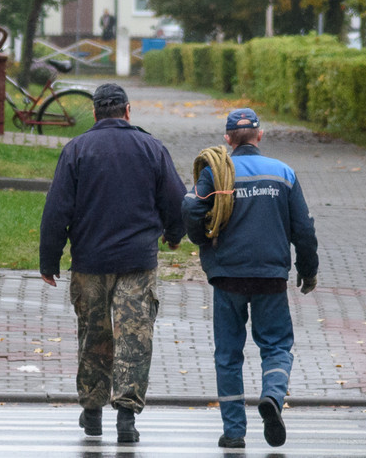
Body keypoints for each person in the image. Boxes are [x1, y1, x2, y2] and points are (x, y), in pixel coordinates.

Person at [40, 82, 186, 444]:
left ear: (94, 113)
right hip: (137, 261)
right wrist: (174, 233)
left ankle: (92, 412)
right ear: (127, 111)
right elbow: (176, 198)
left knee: (94, 335)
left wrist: (49, 259)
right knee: (134, 338)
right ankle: (126, 417)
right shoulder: (151, 147)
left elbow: (57, 209)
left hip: (89, 262)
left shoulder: (76, 149)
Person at [183, 108, 319, 449]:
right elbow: (303, 230)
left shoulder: (218, 173)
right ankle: (272, 396)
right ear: (260, 136)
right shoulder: (283, 174)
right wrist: (308, 269)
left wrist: (203, 240)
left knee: (228, 355)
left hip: (227, 276)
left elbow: (190, 208)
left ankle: (233, 432)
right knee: (276, 346)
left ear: (228, 139)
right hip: (270, 277)